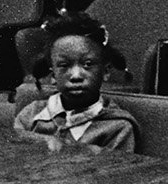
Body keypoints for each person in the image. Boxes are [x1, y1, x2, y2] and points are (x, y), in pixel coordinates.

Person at [12, 13, 140, 149]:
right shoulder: (31, 115)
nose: (76, 76)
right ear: (53, 75)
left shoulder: (117, 127)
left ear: (106, 71)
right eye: (64, 65)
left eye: (88, 64)